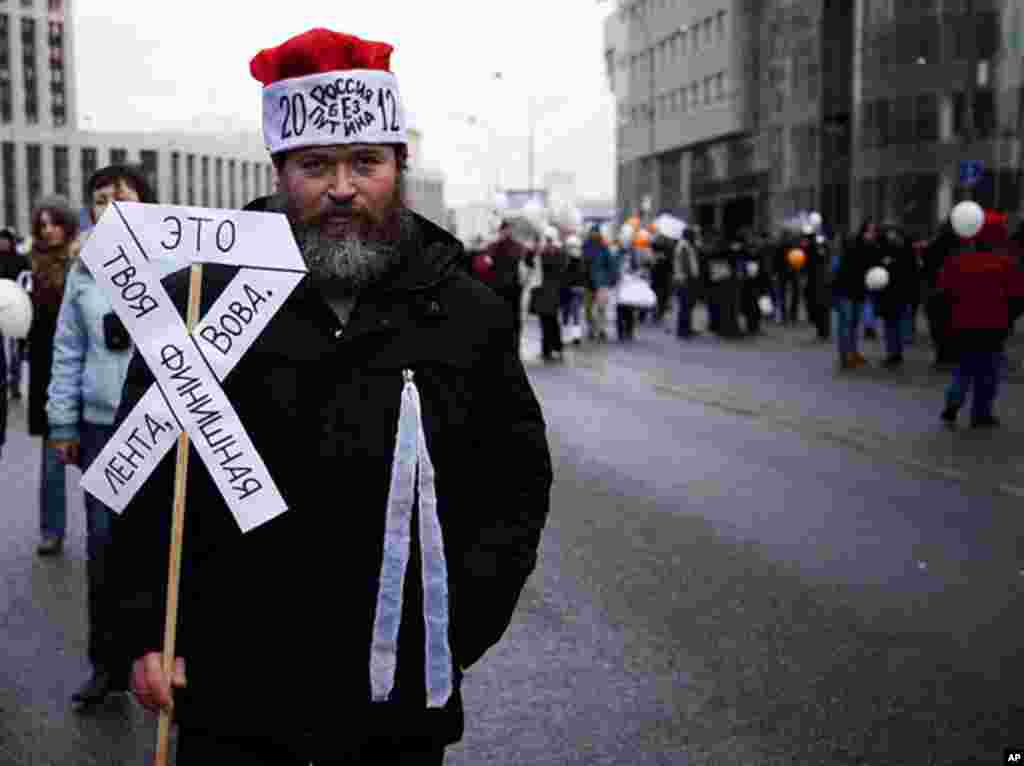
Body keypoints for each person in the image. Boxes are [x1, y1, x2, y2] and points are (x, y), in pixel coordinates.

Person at [112, 28, 553, 764]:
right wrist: (146, 631)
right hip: (231, 693)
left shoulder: (465, 312)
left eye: (365, 163)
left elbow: (512, 485)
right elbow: (141, 479)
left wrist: (452, 628)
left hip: (395, 702)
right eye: (315, 165)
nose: (342, 187)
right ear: (281, 171)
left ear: (398, 168)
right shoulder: (200, 302)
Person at [46, 165, 156, 705]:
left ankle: (164, 657)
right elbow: (66, 349)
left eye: (123, 196)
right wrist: (62, 423)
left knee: (163, 541)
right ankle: (107, 664)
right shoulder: (84, 270)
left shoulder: (176, 260)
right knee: (106, 547)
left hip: (161, 423)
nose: (111, 205)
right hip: (98, 427)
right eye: (100, 199)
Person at [939, 210, 1024, 427]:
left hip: (963, 324)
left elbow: (945, 293)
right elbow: (1017, 296)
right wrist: (1009, 318)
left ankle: (953, 402)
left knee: (965, 366)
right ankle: (981, 412)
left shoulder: (957, 261)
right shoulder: (1006, 264)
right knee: (988, 370)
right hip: (994, 325)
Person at [28, 196, 79, 556]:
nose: (48, 230)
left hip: (83, 367)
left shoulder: (83, 263)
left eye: (54, 223)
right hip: (47, 371)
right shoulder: (32, 268)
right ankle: (52, 530)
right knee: (51, 462)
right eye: (42, 225)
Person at [835, 221, 880, 369]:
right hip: (846, 291)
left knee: (854, 324)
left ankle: (853, 353)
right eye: (870, 232)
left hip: (859, 292)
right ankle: (845, 356)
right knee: (846, 324)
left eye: (874, 232)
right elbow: (846, 269)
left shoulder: (872, 248)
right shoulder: (854, 247)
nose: (872, 235)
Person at [874, 224, 917, 368]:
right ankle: (894, 353)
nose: (892, 237)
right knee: (892, 324)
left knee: (893, 325)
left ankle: (894, 353)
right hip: (892, 294)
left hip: (896, 293)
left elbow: (909, 271)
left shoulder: (903, 251)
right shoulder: (891, 249)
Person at [483, 219, 528, 354]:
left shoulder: (517, 247)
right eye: (505, 229)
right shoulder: (493, 246)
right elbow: (486, 265)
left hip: (512, 289)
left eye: (508, 229)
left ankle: (513, 347)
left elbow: (524, 265)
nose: (507, 232)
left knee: (512, 320)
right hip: (499, 289)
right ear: (501, 230)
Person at [1, 228, 29, 400]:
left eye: (5, 240)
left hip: (16, 310)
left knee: (16, 350)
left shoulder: (20, 260)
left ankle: (15, 384)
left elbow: (27, 282)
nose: (3, 243)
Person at [532, 229, 566, 361]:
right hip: (543, 292)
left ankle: (555, 348)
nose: (548, 244)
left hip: (552, 292)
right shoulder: (542, 254)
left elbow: (560, 268)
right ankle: (547, 349)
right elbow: (531, 263)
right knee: (545, 321)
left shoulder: (558, 255)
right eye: (547, 241)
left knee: (551, 321)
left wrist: (543, 253)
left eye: (550, 241)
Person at [586, 226, 616, 342]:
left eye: (595, 232)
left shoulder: (604, 248)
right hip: (588, 282)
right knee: (588, 309)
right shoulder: (586, 246)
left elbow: (611, 264)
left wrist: (610, 279)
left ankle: (601, 329)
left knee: (601, 308)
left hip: (601, 283)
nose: (593, 234)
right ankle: (592, 328)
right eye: (592, 232)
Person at [672, 228, 700, 339]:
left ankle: (686, 328)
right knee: (685, 305)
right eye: (693, 235)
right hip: (685, 280)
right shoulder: (684, 246)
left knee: (687, 305)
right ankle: (683, 330)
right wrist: (691, 276)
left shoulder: (686, 245)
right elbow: (686, 264)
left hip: (685, 279)